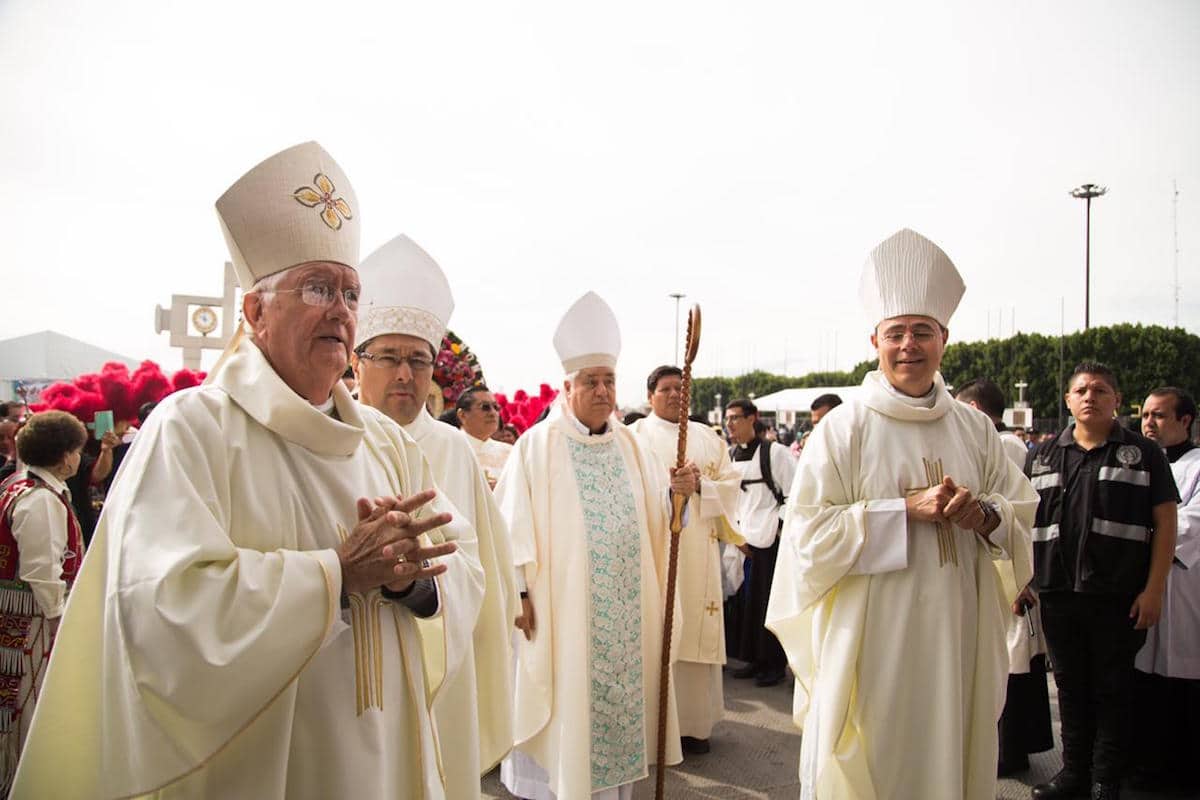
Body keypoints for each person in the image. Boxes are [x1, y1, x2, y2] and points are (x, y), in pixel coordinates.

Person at [12, 141, 484, 799]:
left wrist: (416, 584)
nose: (342, 310)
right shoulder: (193, 429)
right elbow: (160, 610)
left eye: (351, 293)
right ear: (255, 313)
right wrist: (336, 576)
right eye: (318, 287)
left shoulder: (389, 445)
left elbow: (463, 566)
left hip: (384, 760)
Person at [766, 228, 1037, 800]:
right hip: (875, 634)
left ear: (945, 339)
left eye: (923, 332)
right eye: (896, 333)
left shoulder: (976, 428)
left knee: (951, 755)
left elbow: (1016, 511)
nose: (909, 345)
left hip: (958, 629)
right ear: (875, 340)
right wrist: (902, 511)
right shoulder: (844, 429)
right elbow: (809, 538)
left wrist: (982, 516)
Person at [497, 291, 694, 800]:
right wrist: (518, 593)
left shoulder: (631, 444)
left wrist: (678, 496)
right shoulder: (536, 447)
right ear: (568, 387)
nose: (603, 391)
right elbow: (510, 526)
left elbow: (660, 518)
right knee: (571, 728)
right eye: (591, 382)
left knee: (618, 736)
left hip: (626, 622)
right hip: (565, 618)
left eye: (609, 380)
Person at [354, 232, 520, 797]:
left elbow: (483, 570)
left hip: (441, 652)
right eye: (389, 357)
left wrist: (427, 585)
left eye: (418, 359)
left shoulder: (451, 449)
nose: (404, 373)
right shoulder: (331, 439)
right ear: (358, 365)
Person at [1024, 363, 1178, 800]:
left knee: (1114, 689)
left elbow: (1165, 523)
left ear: (1116, 399)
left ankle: (1104, 779)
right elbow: (1025, 524)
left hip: (1119, 595)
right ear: (1068, 401)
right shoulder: (1044, 455)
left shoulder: (1144, 454)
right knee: (1070, 689)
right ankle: (1073, 773)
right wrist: (1024, 582)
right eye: (1081, 390)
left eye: (1101, 390)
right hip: (1057, 592)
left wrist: (1154, 590)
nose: (1090, 396)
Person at [630, 365, 743, 755]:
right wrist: (667, 485)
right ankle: (655, 729)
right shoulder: (633, 438)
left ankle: (695, 727)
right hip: (655, 551)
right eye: (666, 389)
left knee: (695, 629)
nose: (676, 394)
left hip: (698, 551)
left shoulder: (707, 437)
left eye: (681, 388)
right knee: (658, 633)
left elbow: (731, 489)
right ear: (650, 396)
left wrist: (699, 485)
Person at [954, 378, 1053, 776]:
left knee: (1010, 663)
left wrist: (1022, 580)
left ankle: (1009, 751)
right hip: (997, 568)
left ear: (974, 410)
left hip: (1006, 570)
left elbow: (1017, 512)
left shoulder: (1004, 445)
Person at [0, 410, 87, 791]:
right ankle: (24, 784)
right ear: (64, 455)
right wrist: (58, 617)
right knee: (26, 707)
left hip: (17, 616)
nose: (79, 458)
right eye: (77, 450)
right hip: (32, 621)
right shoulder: (40, 501)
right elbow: (41, 571)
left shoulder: (20, 487)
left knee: (17, 704)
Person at [1130, 387, 1200, 793]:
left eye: (1159, 416)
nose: (1149, 423)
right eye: (1145, 416)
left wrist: (1140, 540)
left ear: (1186, 421)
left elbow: (1188, 524)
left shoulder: (1195, 465)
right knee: (1146, 684)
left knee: (1182, 685)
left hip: (1185, 591)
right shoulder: (1139, 462)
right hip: (1144, 587)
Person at [725, 397, 794, 687]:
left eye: (736, 418)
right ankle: (752, 659)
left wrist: (778, 529)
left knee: (768, 604)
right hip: (741, 540)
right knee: (746, 605)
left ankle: (773, 665)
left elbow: (794, 493)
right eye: (727, 419)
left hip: (768, 540)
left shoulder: (775, 453)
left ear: (753, 418)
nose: (730, 424)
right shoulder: (729, 455)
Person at [459, 385, 512, 486]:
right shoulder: (450, 448)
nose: (493, 413)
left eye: (496, 407)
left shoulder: (510, 452)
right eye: (485, 407)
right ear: (462, 415)